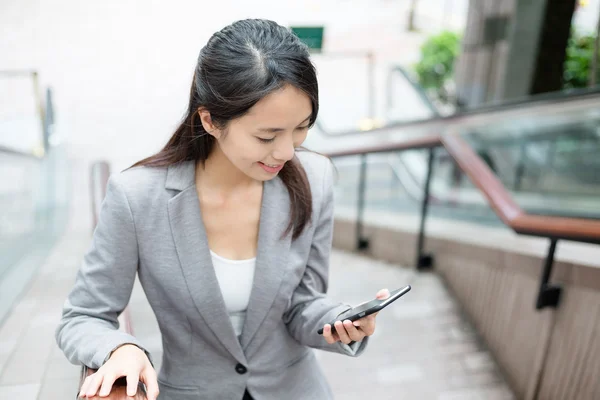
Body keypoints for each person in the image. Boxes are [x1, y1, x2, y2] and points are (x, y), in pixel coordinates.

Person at [56, 18, 388, 400]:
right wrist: (120, 348)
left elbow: (303, 304)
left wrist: (338, 322)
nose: (287, 151)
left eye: (302, 127)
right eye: (267, 135)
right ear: (210, 120)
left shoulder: (316, 177)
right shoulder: (136, 197)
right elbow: (83, 316)